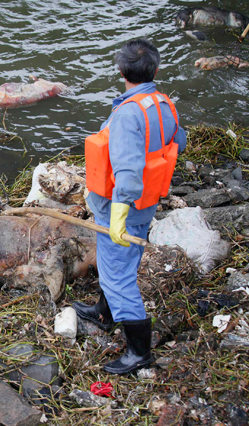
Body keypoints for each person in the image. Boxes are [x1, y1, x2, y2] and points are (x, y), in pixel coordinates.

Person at [74, 39, 187, 374]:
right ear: (155, 69)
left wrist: (119, 217)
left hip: (120, 208)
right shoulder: (162, 103)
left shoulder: (127, 115)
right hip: (146, 206)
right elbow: (178, 141)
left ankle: (139, 352)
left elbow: (127, 175)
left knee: (119, 278)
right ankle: (105, 314)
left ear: (121, 71)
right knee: (116, 268)